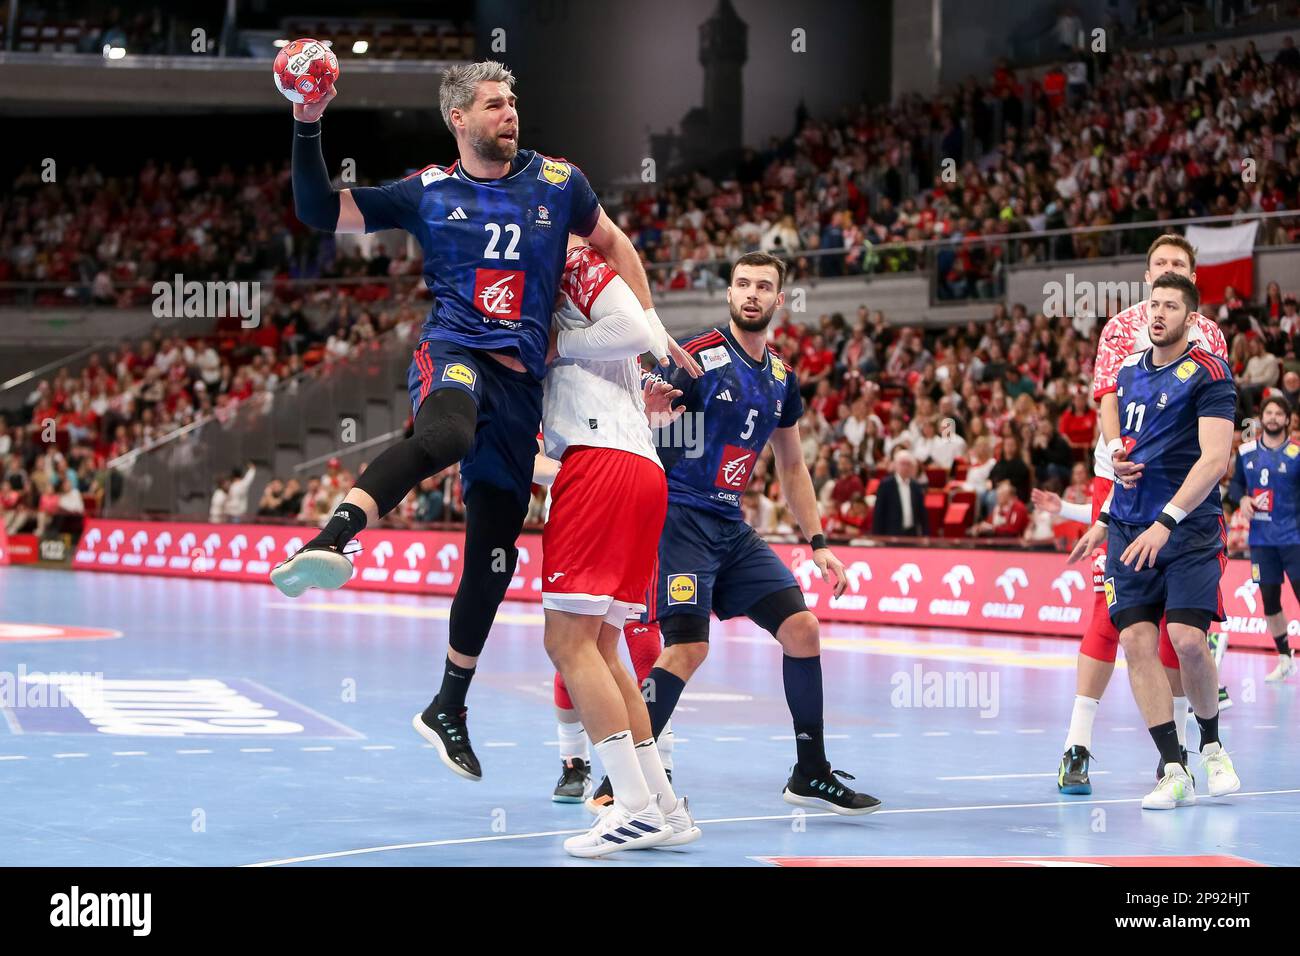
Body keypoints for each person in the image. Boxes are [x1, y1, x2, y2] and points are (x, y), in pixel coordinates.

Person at [270, 59, 699, 781]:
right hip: (457, 350)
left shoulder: (560, 182)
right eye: (494, 104)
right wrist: (307, 120)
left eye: (512, 101)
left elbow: (617, 248)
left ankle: (448, 705)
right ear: (458, 119)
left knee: (493, 557)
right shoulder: (428, 191)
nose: (510, 113)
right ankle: (333, 538)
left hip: (523, 386)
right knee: (445, 434)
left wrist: (654, 335)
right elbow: (320, 209)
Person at [588, 252, 881, 816]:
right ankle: (616, 781)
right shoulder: (695, 357)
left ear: (778, 300)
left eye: (763, 286)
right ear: (728, 294)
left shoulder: (781, 378)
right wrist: (647, 421)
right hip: (677, 517)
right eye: (742, 284)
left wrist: (819, 544)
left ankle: (810, 771)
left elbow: (792, 467)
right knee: (688, 649)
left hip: (729, 525)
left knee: (802, 628)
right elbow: (638, 419)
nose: (751, 294)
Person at [535, 238, 699, 857]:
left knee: (566, 641)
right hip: (637, 468)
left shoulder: (564, 257)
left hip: (599, 464)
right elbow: (637, 320)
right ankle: (663, 804)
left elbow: (630, 324)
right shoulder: (571, 281)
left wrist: (560, 346)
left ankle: (630, 807)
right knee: (604, 648)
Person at [1055, 234, 1230, 795]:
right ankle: (1079, 747)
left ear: (1192, 283)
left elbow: (1212, 442)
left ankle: (1189, 749)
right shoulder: (1120, 334)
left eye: (1177, 269)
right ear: (1146, 275)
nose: (1165, 276)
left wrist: (1173, 511)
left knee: (1180, 636)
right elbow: (1108, 399)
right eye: (1158, 268)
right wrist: (1117, 458)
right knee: (1116, 625)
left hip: (1184, 502)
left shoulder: (1210, 348)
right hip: (1126, 485)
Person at [1225, 395, 1299, 683]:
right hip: (1261, 540)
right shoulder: (1246, 453)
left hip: (1293, 537)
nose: (1272, 418)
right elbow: (1235, 487)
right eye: (1268, 412)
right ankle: (1284, 658)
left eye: (1278, 414)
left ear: (1287, 420)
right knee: (1270, 600)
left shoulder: (1296, 453)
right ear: (1261, 417)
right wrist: (1241, 498)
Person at [871, 449, 929, 537]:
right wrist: (877, 536)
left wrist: (925, 534)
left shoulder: (916, 487)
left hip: (911, 534)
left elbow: (922, 513)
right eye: (902, 464)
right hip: (891, 533)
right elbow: (879, 512)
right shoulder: (886, 485)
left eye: (908, 464)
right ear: (895, 465)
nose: (905, 467)